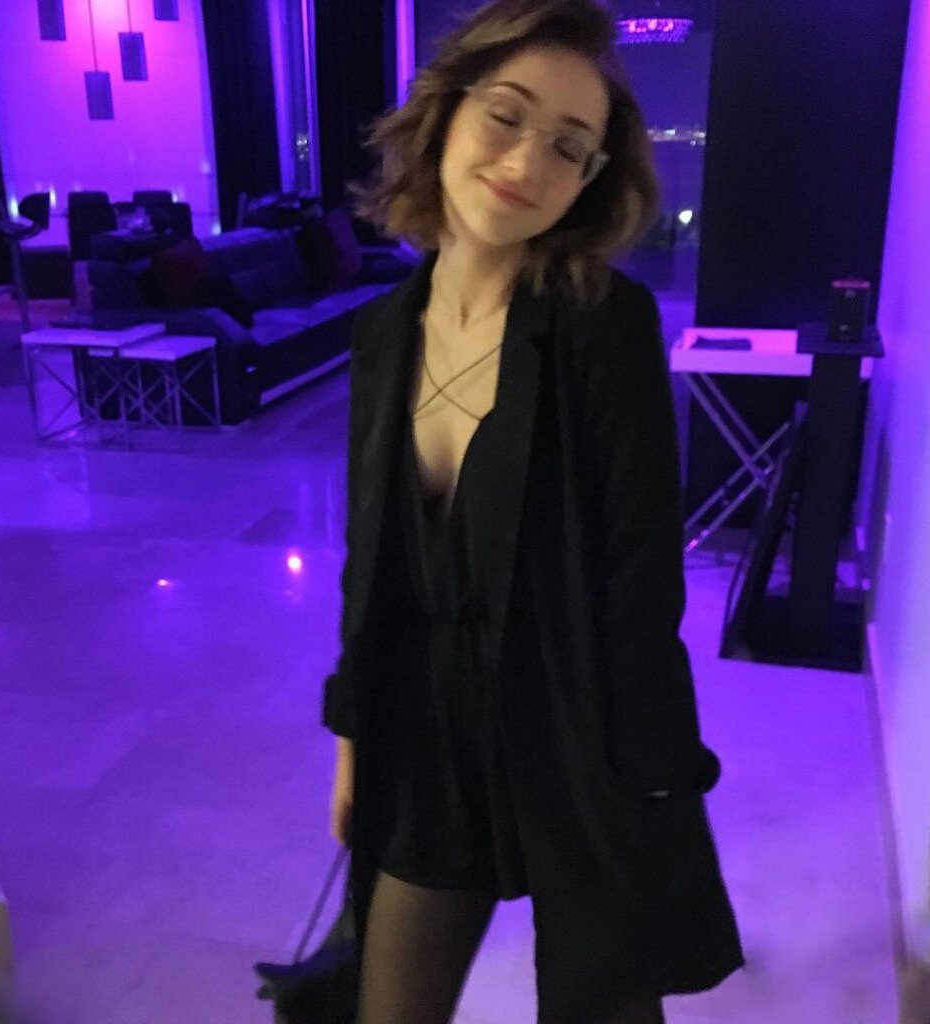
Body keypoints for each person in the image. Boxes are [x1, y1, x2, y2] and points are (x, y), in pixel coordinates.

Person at [322, 0, 745, 1021]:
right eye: (506, 116)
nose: (525, 162)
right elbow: (370, 560)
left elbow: (640, 584)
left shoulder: (605, 323)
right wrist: (352, 737)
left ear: (591, 177)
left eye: (567, 146)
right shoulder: (384, 333)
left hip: (569, 737)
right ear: (448, 110)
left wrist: (654, 789)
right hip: (425, 739)